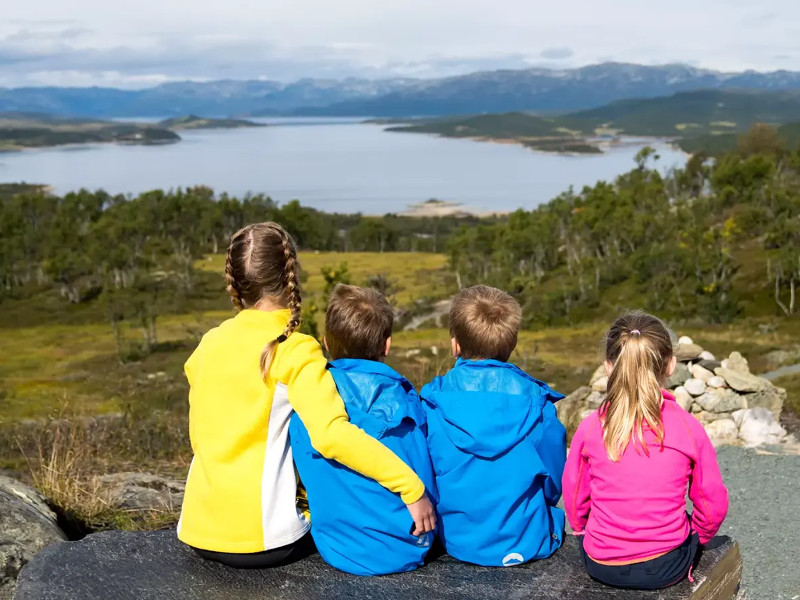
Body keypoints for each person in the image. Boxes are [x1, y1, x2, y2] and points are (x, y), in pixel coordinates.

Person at [177, 223, 435, 568]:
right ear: (292, 274)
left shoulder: (208, 343)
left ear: (236, 279)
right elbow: (332, 437)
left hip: (198, 531)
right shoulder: (295, 348)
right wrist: (411, 488)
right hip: (265, 540)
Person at [563, 311, 729, 590]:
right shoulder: (687, 427)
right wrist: (698, 537)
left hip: (600, 563)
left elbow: (575, 494)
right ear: (671, 365)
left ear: (608, 366)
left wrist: (583, 531)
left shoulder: (592, 426)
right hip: (665, 566)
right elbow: (712, 505)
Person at [289, 284, 437, 576]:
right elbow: (427, 475)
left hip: (337, 548)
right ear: (387, 345)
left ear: (326, 342)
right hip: (410, 545)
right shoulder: (406, 402)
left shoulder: (310, 403)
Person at [420, 285, 567, 567]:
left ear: (455, 344)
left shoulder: (431, 403)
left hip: (456, 540)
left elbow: (426, 478)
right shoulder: (539, 407)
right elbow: (552, 484)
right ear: (511, 344)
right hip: (527, 541)